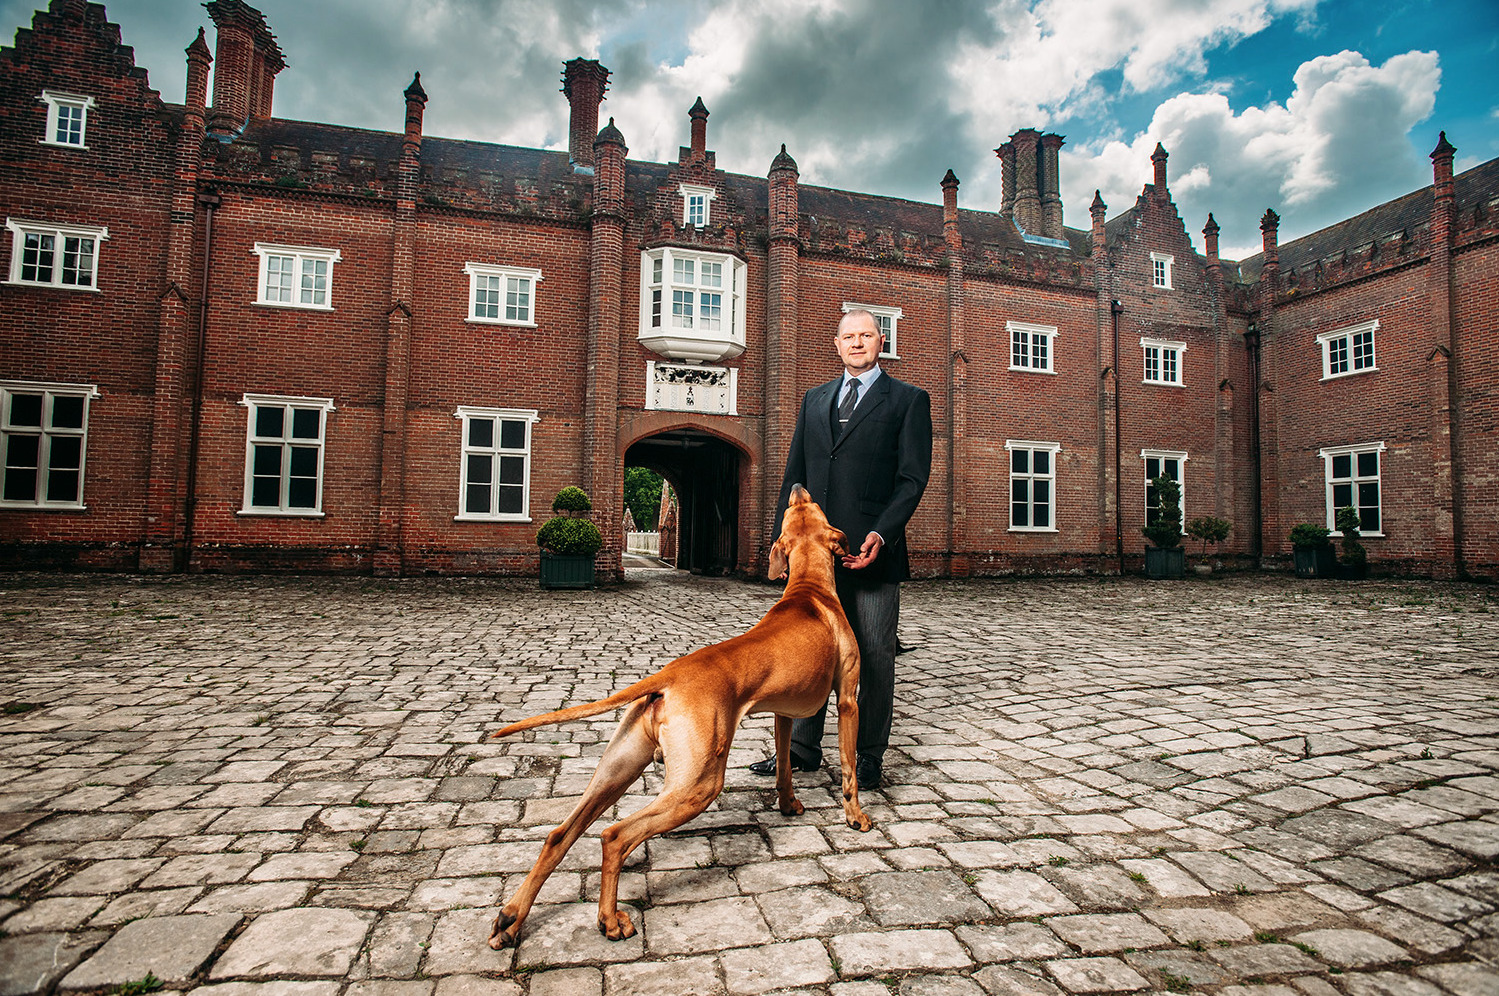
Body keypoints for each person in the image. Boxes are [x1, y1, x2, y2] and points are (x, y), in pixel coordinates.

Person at [749, 308, 932, 790]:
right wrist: (780, 542)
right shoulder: (814, 400)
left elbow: (912, 480)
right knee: (808, 652)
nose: (857, 343)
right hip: (812, 561)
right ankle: (802, 751)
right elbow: (795, 474)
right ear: (836, 344)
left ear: (882, 340)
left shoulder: (909, 401)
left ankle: (869, 755)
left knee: (872, 656)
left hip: (871, 553)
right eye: (848, 336)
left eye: (866, 335)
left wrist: (881, 534)